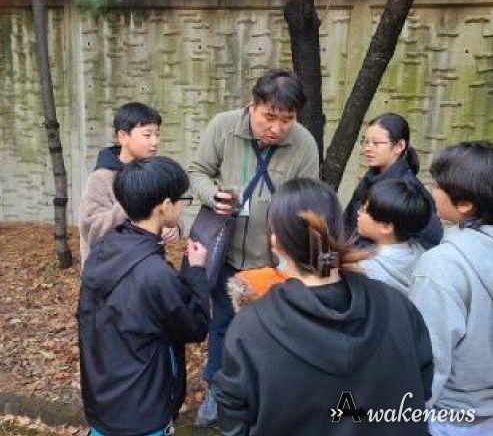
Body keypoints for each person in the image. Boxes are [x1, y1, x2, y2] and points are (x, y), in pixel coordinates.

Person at [214, 178, 433, 436]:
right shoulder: (398, 306)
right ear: (337, 229)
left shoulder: (252, 327)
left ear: (276, 241)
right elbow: (422, 385)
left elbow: (234, 414)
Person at [188, 69, 320, 426]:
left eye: (287, 119)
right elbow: (198, 170)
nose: (276, 128)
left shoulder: (304, 144)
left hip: (273, 262)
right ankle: (217, 390)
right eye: (269, 117)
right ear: (253, 105)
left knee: (268, 331)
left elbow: (307, 198)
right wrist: (212, 196)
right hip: (228, 251)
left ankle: (258, 397)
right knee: (222, 324)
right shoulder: (224, 126)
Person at [78, 156, 209, 436]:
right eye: (183, 200)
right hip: (143, 414)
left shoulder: (103, 250)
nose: (183, 206)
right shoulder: (155, 273)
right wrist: (197, 271)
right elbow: (195, 326)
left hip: (103, 404)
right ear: (165, 206)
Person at [409, 141, 493, 436]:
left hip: (449, 417)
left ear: (466, 203)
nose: (432, 191)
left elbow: (429, 356)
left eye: (438, 185)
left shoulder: (443, 265)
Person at [79, 102, 179, 265]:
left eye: (157, 134)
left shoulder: (155, 174)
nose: (155, 141)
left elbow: (168, 211)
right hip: (108, 270)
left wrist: (173, 226)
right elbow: (92, 230)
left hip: (146, 266)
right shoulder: (101, 178)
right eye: (147, 135)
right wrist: (133, 202)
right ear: (123, 137)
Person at [344, 112, 442, 250]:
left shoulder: (408, 189)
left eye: (376, 143)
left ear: (399, 146)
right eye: (366, 142)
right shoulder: (370, 177)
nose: (368, 148)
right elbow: (347, 220)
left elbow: (429, 239)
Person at [356, 178, 431, 295]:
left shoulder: (366, 270)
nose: (358, 212)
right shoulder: (421, 253)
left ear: (386, 227)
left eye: (364, 210)